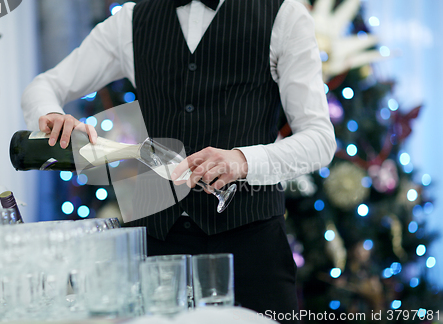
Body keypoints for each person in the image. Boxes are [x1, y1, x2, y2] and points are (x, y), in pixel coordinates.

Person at [22, 0, 336, 322]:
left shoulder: (284, 14)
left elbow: (320, 140)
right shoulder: (131, 19)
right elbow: (44, 86)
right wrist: (53, 116)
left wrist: (243, 160)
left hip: (251, 250)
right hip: (152, 249)